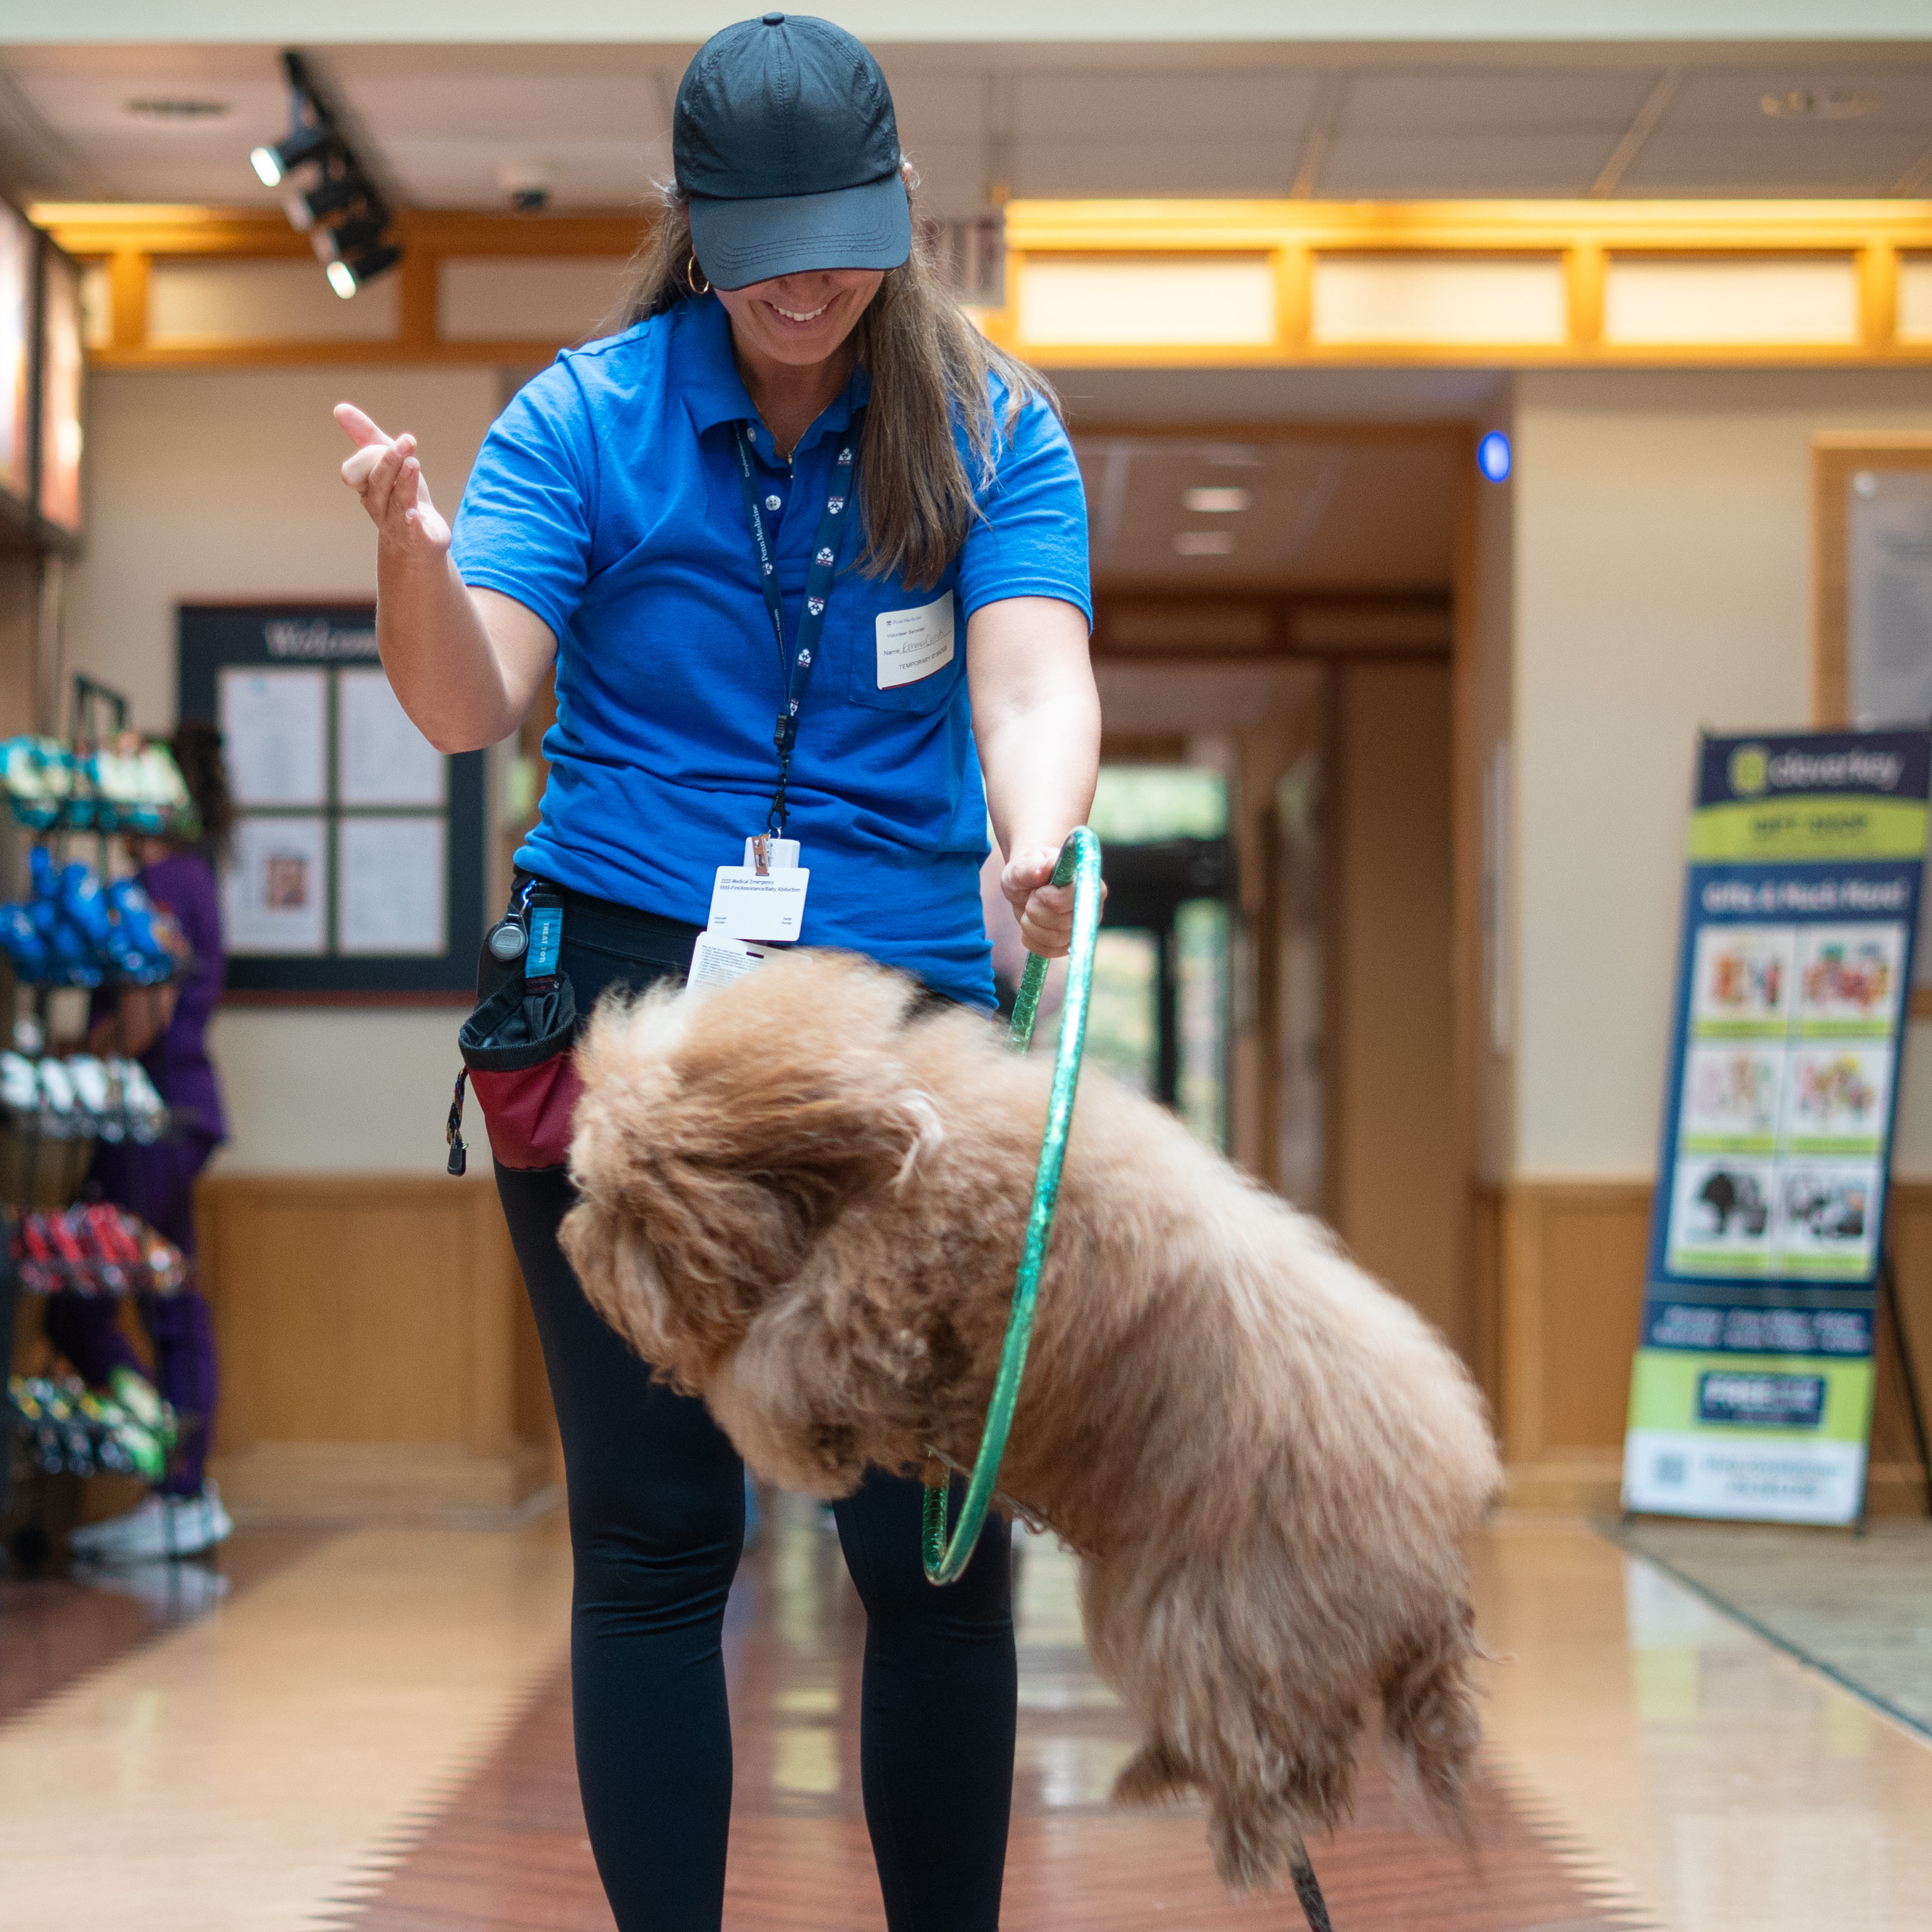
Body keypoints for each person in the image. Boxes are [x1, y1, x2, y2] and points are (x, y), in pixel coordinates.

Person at [335, 16, 1096, 1931]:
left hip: (899, 1026)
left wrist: (1037, 831)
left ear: (901, 206)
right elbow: (465, 698)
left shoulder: (991, 420)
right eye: (756, 240)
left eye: (838, 231)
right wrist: (413, 561)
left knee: (929, 1553)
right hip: (621, 1029)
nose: (803, 280)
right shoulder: (581, 419)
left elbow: (1026, 672)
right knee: (661, 1532)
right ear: (686, 220)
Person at [47, 719, 233, 1562]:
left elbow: (146, 1010)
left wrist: (65, 1061)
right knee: (168, 1301)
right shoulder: (190, 877)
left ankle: (174, 1479)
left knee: (82, 1302)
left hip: (147, 1115)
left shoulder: (165, 882)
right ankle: (181, 1487)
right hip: (176, 1112)